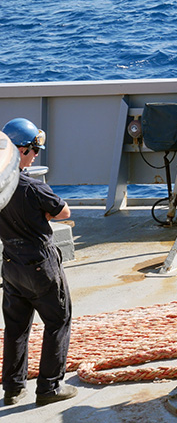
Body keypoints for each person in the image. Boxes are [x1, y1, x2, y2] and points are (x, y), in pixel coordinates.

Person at [0, 118, 77, 406]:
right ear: (21, 151)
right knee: (58, 320)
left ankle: (13, 388)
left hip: (10, 263)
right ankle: (49, 388)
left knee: (16, 326)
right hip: (40, 265)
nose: (35, 157)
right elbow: (64, 211)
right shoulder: (34, 188)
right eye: (34, 150)